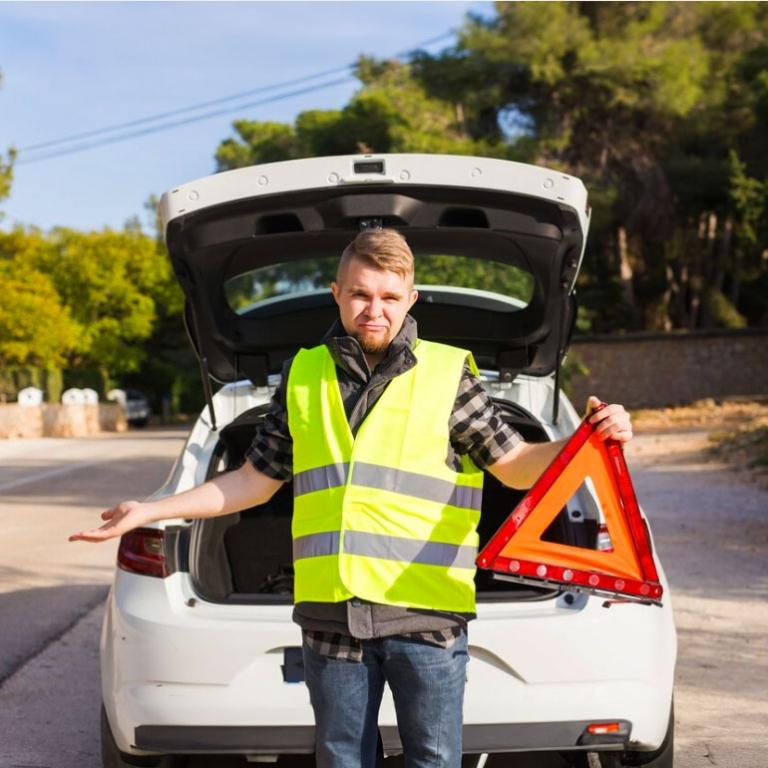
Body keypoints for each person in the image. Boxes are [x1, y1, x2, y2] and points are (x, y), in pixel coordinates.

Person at [70, 229, 633, 768]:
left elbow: (513, 467)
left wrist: (583, 441)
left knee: (434, 760)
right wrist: (152, 508)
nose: (375, 309)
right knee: (341, 759)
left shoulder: (447, 374)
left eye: (390, 296)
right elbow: (251, 481)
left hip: (426, 616)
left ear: (411, 299)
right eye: (360, 293)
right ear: (337, 294)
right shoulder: (302, 375)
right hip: (331, 617)